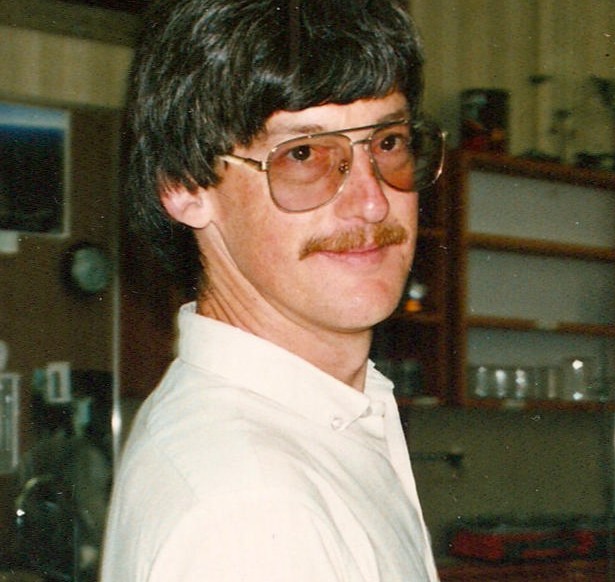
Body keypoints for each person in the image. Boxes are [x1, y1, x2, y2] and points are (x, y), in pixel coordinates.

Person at [100, 0, 446, 580]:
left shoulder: (319, 423)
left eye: (388, 142)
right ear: (185, 186)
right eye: (304, 155)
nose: (373, 201)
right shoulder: (252, 513)